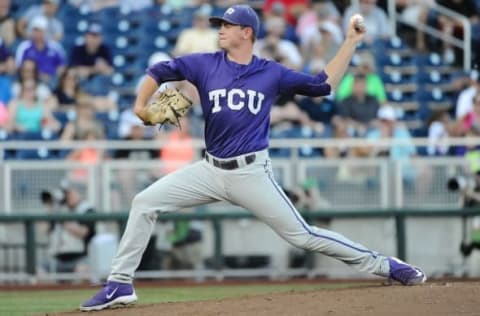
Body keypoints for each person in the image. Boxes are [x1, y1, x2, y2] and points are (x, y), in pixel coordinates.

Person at [80, 5, 426, 311]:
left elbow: (324, 85)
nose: (221, 30)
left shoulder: (271, 73)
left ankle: (384, 264)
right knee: (143, 202)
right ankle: (120, 283)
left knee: (302, 235)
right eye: (220, 24)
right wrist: (141, 107)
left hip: (251, 173)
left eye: (227, 25)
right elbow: (158, 71)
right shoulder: (204, 64)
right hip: (208, 169)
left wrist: (350, 41)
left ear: (247, 33)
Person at [40, 180, 96, 274]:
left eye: (69, 192)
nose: (67, 196)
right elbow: (43, 230)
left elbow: (83, 232)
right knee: (40, 270)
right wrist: (50, 207)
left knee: (82, 270)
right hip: (58, 259)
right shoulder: (58, 209)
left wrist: (63, 221)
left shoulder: (86, 209)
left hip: (80, 258)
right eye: (65, 193)